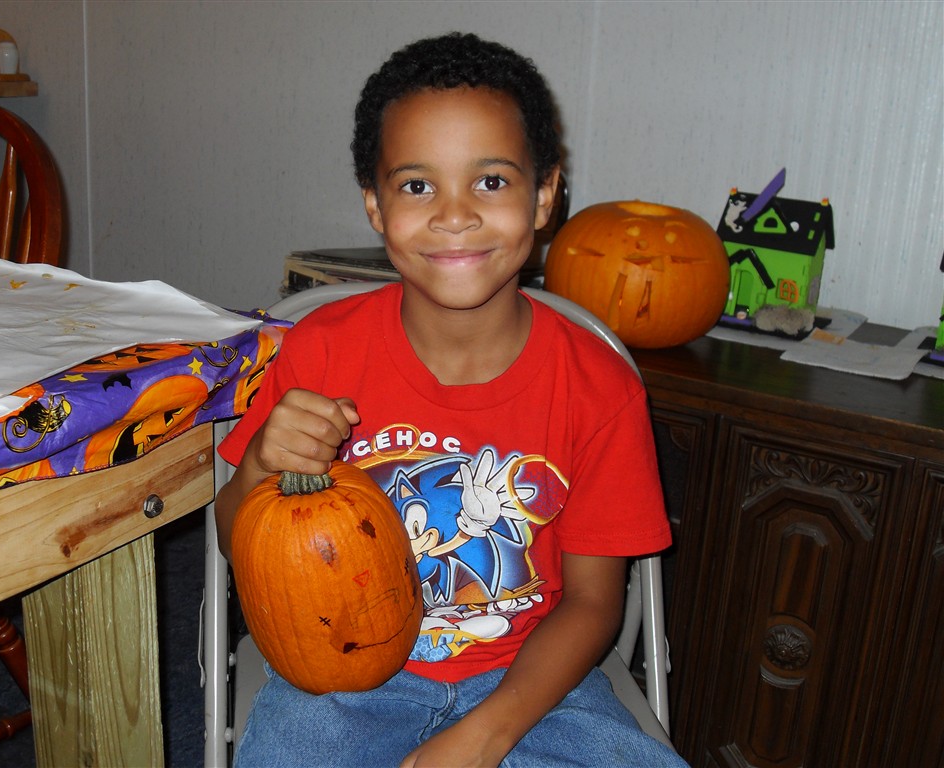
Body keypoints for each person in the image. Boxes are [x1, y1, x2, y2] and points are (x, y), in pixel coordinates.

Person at [215, 31, 687, 768]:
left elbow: (594, 603)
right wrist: (259, 469)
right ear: (375, 205)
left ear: (545, 195)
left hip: (536, 686)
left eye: (491, 181)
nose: (454, 214)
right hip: (342, 674)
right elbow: (232, 539)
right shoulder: (320, 353)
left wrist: (487, 734)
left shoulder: (600, 387)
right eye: (417, 186)